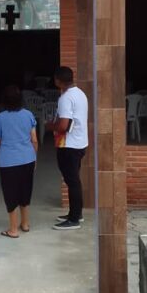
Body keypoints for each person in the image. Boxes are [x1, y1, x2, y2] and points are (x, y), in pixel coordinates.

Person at [0, 85, 38, 238]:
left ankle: (13, 230)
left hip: (8, 162)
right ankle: (25, 224)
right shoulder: (28, 115)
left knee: (11, 194)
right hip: (28, 159)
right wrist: (34, 157)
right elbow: (34, 140)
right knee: (25, 191)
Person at [47, 66, 88, 230]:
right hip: (79, 143)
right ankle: (76, 213)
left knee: (72, 181)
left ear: (58, 80)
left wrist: (50, 126)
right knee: (74, 180)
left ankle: (73, 219)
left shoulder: (65, 98)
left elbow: (63, 125)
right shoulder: (80, 93)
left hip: (69, 145)